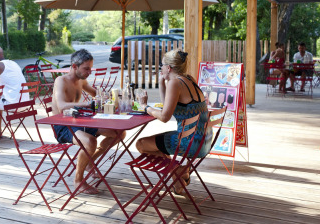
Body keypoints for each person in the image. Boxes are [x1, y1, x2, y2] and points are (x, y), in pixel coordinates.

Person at [136, 49, 211, 195]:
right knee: (157, 144)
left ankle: (178, 171)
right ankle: (179, 177)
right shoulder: (189, 79)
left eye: (162, 66)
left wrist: (145, 107)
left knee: (141, 144)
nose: (161, 69)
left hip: (188, 142)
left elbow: (164, 117)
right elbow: (167, 107)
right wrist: (162, 83)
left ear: (168, 68)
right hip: (203, 139)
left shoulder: (175, 83)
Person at [52, 49, 126, 195]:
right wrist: (88, 104)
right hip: (62, 124)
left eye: (90, 68)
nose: (89, 72)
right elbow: (61, 106)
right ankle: (78, 180)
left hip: (79, 120)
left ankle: (89, 162)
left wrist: (110, 97)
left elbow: (96, 94)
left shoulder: (82, 81)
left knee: (119, 133)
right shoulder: (61, 81)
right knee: (90, 142)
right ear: (74, 66)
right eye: (86, 68)